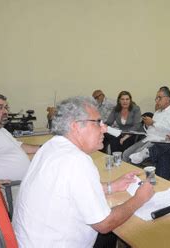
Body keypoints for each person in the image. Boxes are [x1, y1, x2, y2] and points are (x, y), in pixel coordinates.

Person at [12, 96, 154, 247]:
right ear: (76, 126)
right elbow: (104, 224)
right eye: (98, 122)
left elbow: (70, 190)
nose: (105, 129)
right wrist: (139, 199)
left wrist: (111, 187)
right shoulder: (77, 160)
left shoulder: (51, 146)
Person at [125, 87, 170, 164]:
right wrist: (147, 124)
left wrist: (152, 123)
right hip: (148, 138)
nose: (157, 101)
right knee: (125, 154)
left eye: (159, 98)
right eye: (156, 98)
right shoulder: (158, 112)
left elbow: (168, 129)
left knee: (133, 158)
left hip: (161, 142)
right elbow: (150, 130)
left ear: (167, 99)